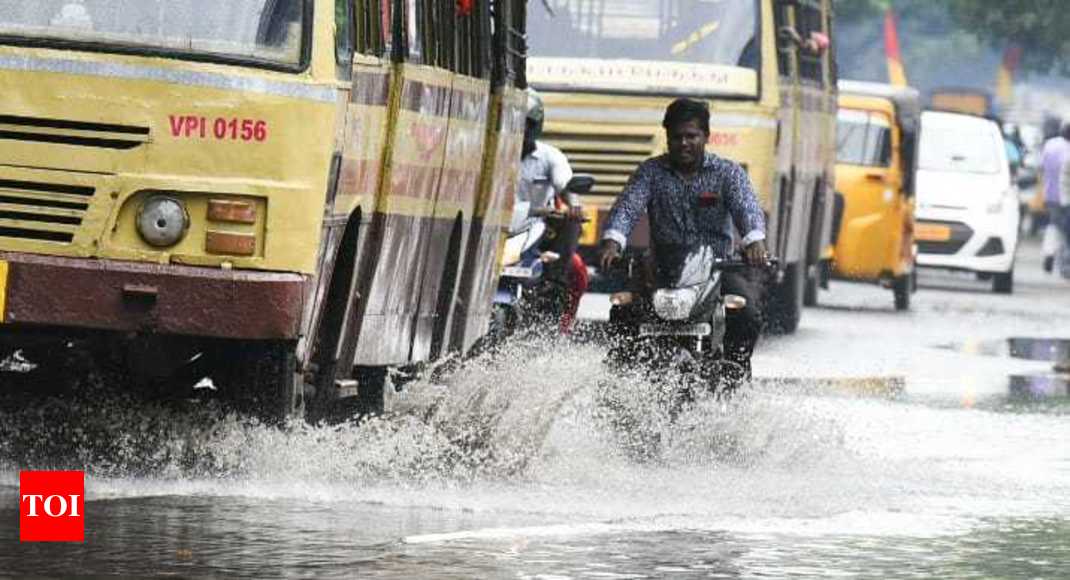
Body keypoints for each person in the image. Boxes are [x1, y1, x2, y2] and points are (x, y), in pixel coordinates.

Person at [598, 98, 769, 379]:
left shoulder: (728, 173)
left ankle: (734, 378)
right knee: (624, 311)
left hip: (717, 268)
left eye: (691, 136)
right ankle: (619, 382)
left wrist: (755, 242)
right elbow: (627, 208)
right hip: (662, 271)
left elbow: (747, 208)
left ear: (706, 137)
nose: (684, 143)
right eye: (677, 137)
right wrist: (612, 243)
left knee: (747, 313)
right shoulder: (651, 173)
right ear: (667, 137)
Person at [515, 89, 588, 332]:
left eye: (526, 124)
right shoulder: (490, 150)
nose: (520, 131)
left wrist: (574, 205)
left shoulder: (550, 156)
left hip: (534, 232)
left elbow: (565, 185)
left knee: (575, 269)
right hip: (492, 228)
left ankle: (559, 327)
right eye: (513, 123)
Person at [1039, 121, 1070, 273]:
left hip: (1049, 193)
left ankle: (1049, 252)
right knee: (1065, 230)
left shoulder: (1050, 145)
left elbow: (1041, 166)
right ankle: (1064, 263)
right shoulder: (1068, 149)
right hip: (1066, 197)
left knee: (1054, 225)